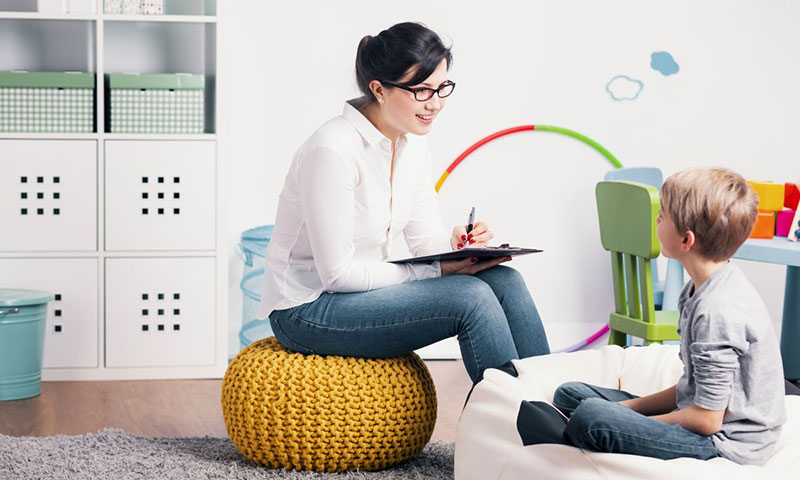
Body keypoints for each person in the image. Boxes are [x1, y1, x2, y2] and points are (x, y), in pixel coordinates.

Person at [258, 22, 550, 383]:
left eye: (443, 87)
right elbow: (337, 275)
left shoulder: (412, 144)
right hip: (308, 309)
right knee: (471, 297)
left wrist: (459, 247)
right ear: (379, 89)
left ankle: (553, 403)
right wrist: (439, 270)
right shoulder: (331, 150)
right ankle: (512, 420)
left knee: (505, 279)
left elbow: (426, 242)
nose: (436, 103)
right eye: (422, 91)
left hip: (364, 291)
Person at [553, 167, 786, 464]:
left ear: (686, 240)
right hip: (699, 416)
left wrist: (626, 416)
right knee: (569, 394)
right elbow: (690, 387)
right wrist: (630, 409)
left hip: (724, 442)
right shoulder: (698, 288)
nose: (656, 220)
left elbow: (707, 420)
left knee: (590, 418)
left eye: (662, 215)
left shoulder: (718, 311)